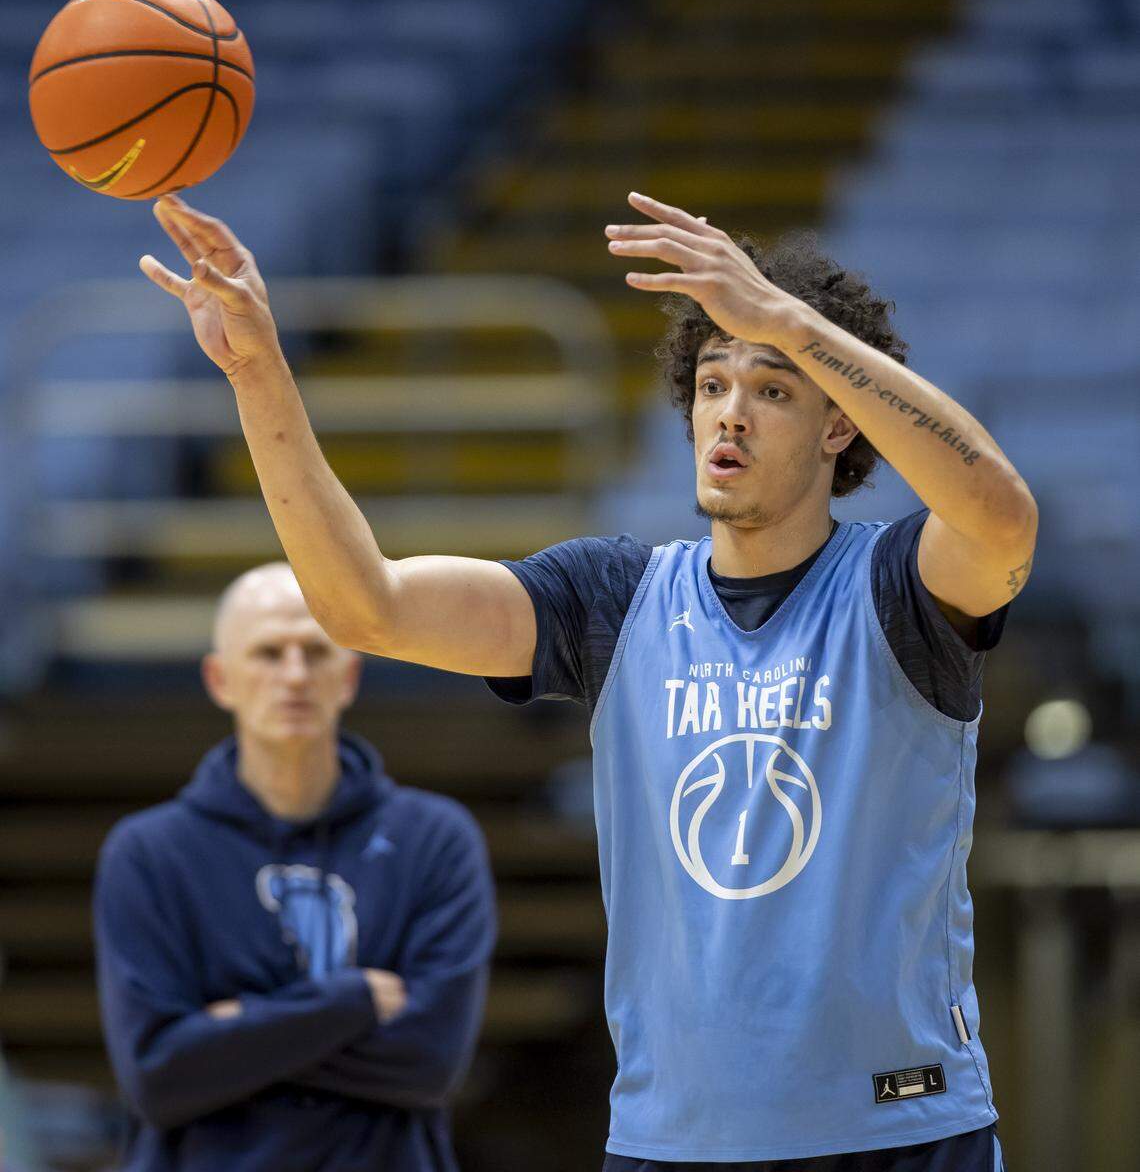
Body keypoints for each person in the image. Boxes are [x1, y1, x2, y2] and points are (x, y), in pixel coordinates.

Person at [140, 191, 1032, 1172]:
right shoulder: (613, 596)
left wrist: (789, 322)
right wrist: (258, 368)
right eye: (711, 381)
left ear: (837, 426)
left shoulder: (899, 586)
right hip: (671, 1146)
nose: (730, 409)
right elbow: (366, 605)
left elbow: (1000, 513)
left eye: (773, 388)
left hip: (900, 1133)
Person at [93, 563, 496, 1172]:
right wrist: (352, 1000)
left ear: (350, 675)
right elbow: (155, 1076)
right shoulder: (149, 853)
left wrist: (230, 1026)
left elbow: (431, 1061)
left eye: (314, 651)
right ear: (219, 679)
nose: (294, 676)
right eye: (267, 653)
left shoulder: (435, 839)